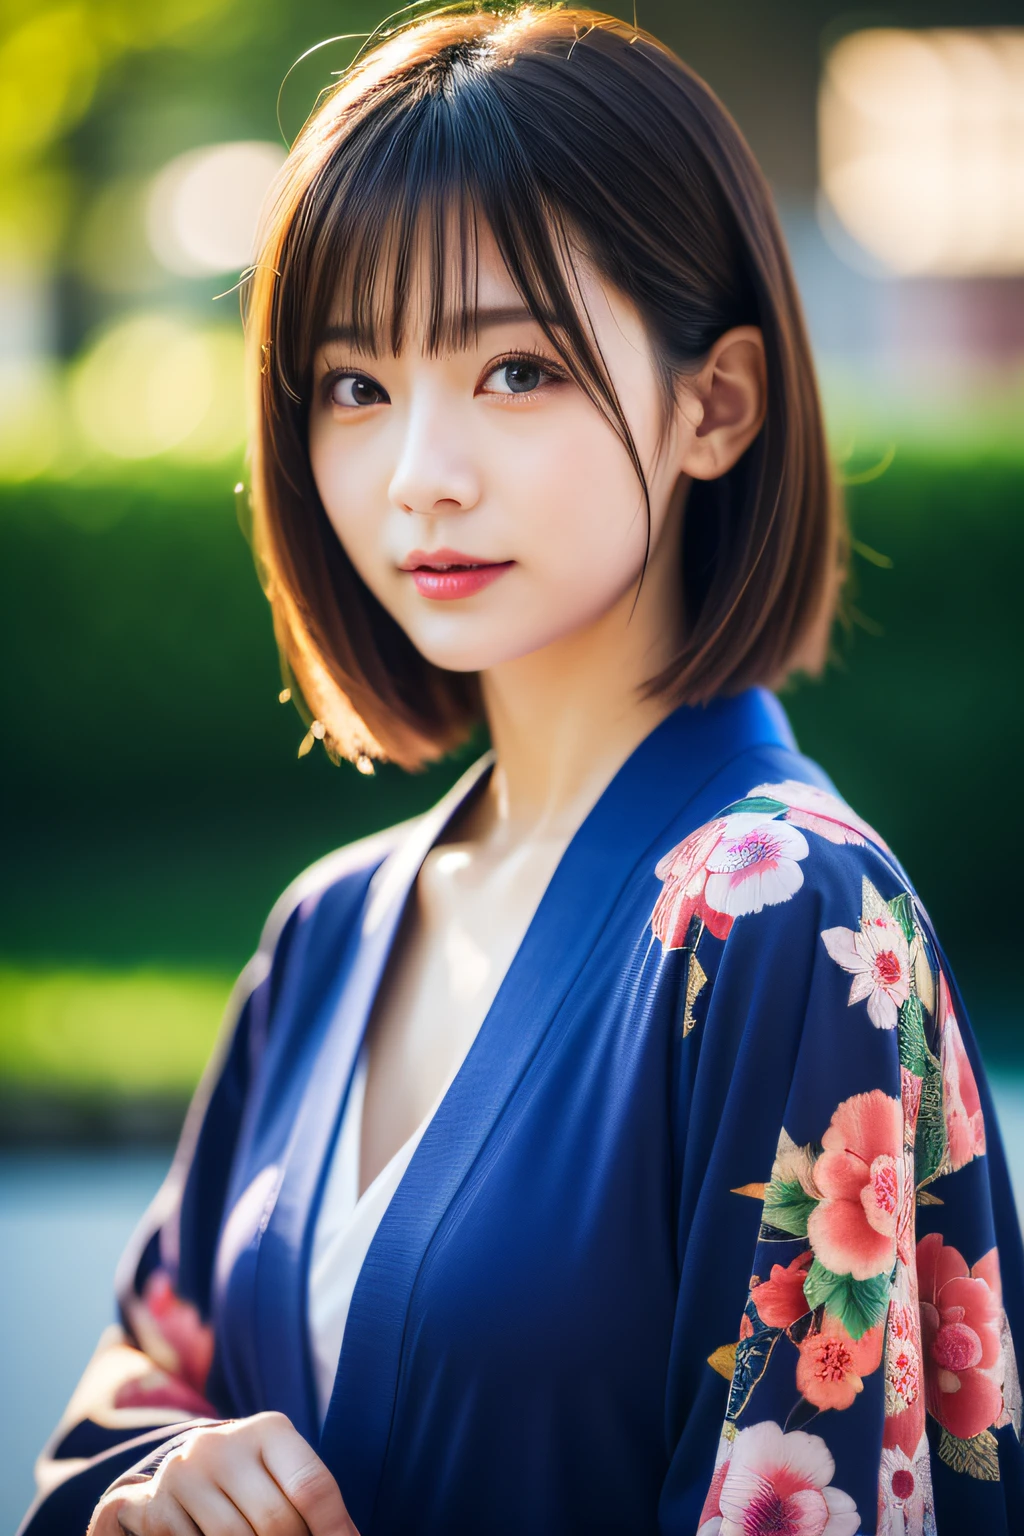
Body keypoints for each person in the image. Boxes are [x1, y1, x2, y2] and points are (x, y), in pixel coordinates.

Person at [20, 6, 1024, 1534]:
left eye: (515, 370)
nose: (420, 467)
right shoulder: (331, 927)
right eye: (355, 386)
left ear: (717, 402)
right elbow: (140, 1383)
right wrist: (163, 1487)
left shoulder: (789, 920)